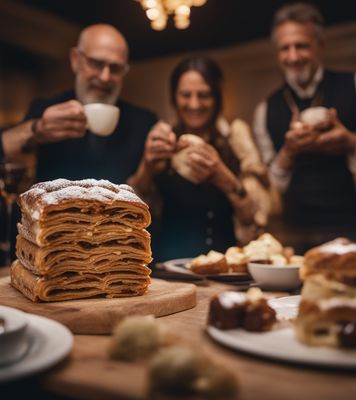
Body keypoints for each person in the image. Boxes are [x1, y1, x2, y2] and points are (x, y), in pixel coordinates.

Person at [252, 2, 356, 253]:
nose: (293, 56)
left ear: (320, 45)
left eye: (302, 46)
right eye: (285, 48)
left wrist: (350, 141)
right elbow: (271, 187)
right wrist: (289, 151)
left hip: (353, 226)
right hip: (293, 233)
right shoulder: (264, 109)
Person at [129, 55, 271, 262]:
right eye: (185, 95)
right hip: (168, 267)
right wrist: (148, 166)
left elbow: (255, 219)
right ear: (174, 97)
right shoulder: (162, 139)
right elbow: (136, 206)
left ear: (217, 97)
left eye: (204, 95)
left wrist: (222, 174)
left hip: (223, 266)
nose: (194, 104)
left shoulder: (235, 140)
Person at [0, 23, 157, 184]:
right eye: (96, 63)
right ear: (75, 60)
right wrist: (37, 129)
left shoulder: (143, 122)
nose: (105, 77)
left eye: (115, 68)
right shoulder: (46, 108)